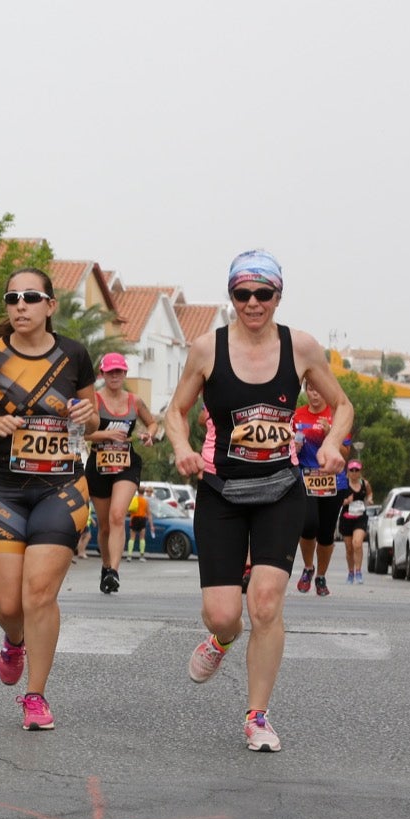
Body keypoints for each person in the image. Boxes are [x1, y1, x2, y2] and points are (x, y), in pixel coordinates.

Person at [165, 250, 351, 753]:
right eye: (242, 293)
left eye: (262, 293)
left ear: (278, 296)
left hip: (280, 491)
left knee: (265, 604)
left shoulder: (301, 347)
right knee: (224, 614)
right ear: (232, 296)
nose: (252, 303)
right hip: (221, 492)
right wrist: (182, 449)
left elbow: (342, 404)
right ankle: (221, 640)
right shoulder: (207, 349)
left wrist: (333, 443)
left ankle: (257, 716)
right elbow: (176, 411)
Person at [0, 268, 100, 730]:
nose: (20, 305)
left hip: (62, 488)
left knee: (39, 594)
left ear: (50, 306)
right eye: (12, 298)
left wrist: (87, 415)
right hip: (3, 490)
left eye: (31, 297)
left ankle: (35, 695)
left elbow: (92, 422)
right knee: (8, 606)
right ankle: (13, 639)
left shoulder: (74, 354)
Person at [85, 352, 159, 593]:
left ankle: (114, 572)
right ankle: (106, 567)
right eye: (110, 372)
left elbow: (153, 423)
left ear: (125, 373)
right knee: (105, 526)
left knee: (117, 515)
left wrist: (149, 435)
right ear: (102, 374)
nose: (115, 376)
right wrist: (106, 434)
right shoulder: (94, 401)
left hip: (126, 463)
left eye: (119, 371)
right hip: (99, 464)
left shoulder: (135, 401)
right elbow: (83, 433)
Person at [292, 383, 346, 596]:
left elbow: (346, 452)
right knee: (308, 524)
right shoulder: (297, 415)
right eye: (311, 390)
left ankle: (321, 575)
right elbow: (286, 446)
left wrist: (330, 435)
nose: (315, 394)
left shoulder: (336, 416)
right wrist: (294, 447)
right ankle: (308, 567)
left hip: (333, 480)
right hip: (306, 477)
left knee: (326, 532)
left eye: (319, 390)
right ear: (306, 391)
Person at [339, 461, 375, 584]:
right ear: (348, 471)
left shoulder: (365, 484)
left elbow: (369, 494)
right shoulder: (343, 484)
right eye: (352, 470)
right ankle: (351, 572)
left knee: (357, 544)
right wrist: (346, 501)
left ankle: (358, 571)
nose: (354, 473)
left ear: (360, 472)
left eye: (357, 470)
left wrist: (369, 499)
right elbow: (337, 500)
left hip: (360, 517)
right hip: (346, 518)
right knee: (349, 548)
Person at [125, 489, 153, 560]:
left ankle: (129, 555)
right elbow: (149, 513)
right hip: (142, 519)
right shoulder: (145, 501)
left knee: (132, 537)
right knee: (142, 538)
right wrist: (151, 525)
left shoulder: (134, 499)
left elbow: (129, 510)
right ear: (144, 492)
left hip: (134, 518)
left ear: (138, 491)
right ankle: (141, 555)